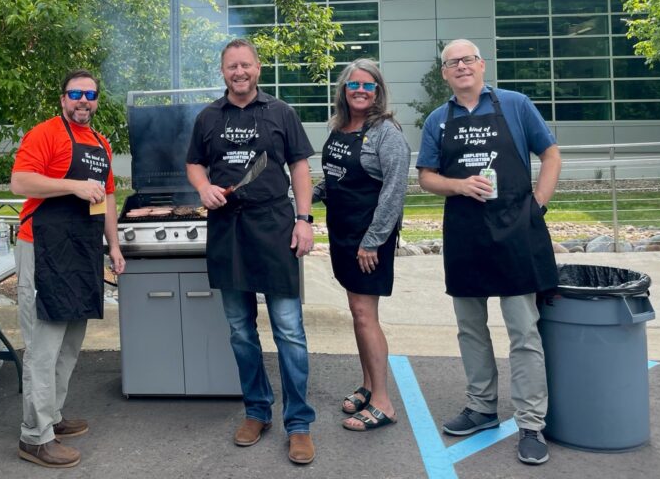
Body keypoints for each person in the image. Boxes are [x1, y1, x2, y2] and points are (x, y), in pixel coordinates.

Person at [416, 39, 561, 466]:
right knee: (470, 329)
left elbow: (550, 154)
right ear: (445, 73)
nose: (461, 66)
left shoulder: (515, 105)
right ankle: (481, 408)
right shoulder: (438, 120)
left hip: (516, 233)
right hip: (465, 236)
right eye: (452, 62)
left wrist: (538, 204)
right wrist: (458, 185)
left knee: (523, 331)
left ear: (481, 65)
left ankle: (531, 423)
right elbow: (426, 177)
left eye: (468, 59)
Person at [185, 39, 318, 466]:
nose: (239, 72)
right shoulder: (208, 117)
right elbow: (194, 162)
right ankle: (257, 411)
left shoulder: (281, 112)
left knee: (289, 330)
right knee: (241, 330)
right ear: (222, 72)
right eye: (231, 66)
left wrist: (304, 220)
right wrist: (203, 187)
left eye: (245, 65)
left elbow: (300, 167)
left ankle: (298, 423)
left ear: (257, 68)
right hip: (228, 229)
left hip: (275, 225)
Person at [9, 69, 125, 469]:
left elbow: (108, 197)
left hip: (81, 250)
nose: (83, 101)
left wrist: (114, 246)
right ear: (63, 99)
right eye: (76, 94)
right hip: (43, 247)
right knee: (43, 347)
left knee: (70, 342)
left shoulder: (101, 143)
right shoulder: (44, 134)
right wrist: (73, 186)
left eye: (90, 95)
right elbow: (20, 182)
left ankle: (52, 416)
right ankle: (34, 436)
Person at [317, 59, 409, 433]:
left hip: (369, 239)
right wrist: (305, 196)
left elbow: (394, 191)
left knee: (365, 314)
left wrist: (372, 241)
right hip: (342, 233)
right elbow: (334, 177)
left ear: (377, 92)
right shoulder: (340, 128)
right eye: (353, 84)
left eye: (368, 85)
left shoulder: (387, 133)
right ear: (343, 90)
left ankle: (383, 402)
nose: (360, 90)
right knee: (358, 312)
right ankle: (369, 385)